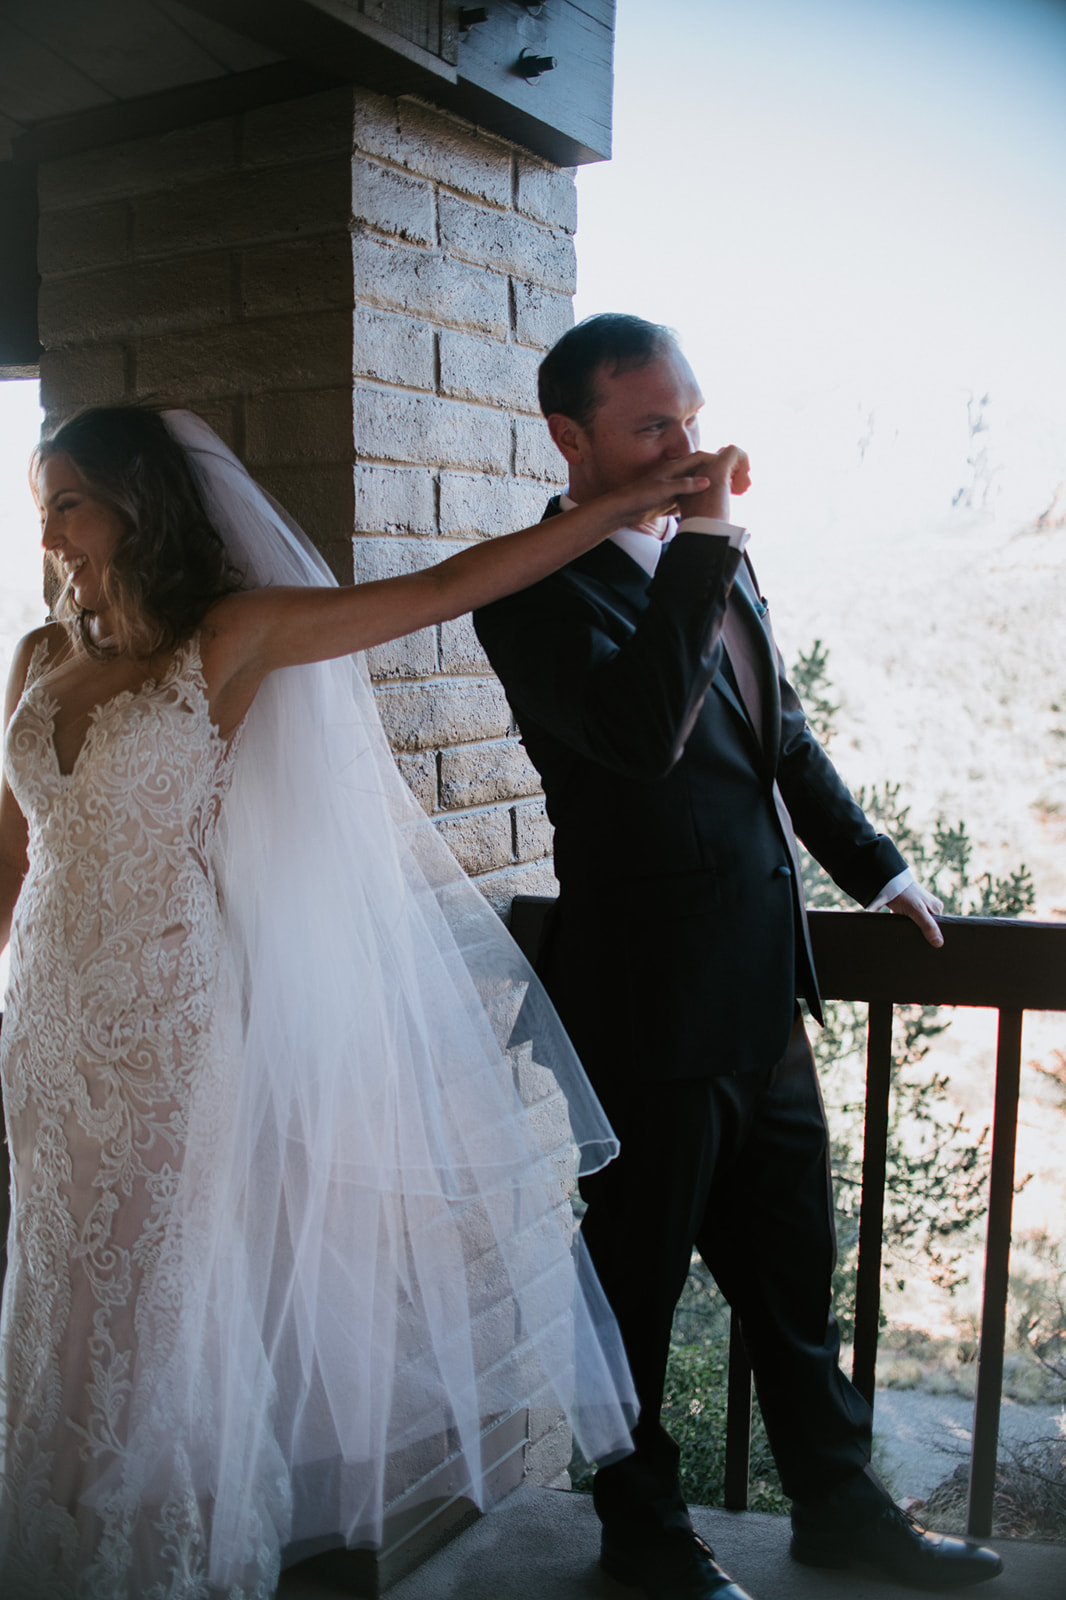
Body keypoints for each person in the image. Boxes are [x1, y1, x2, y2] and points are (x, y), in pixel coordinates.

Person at [0, 403, 720, 1599]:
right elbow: (14, 856)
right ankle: (44, 1530)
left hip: (165, 1026)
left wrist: (613, 510)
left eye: (67, 499)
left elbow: (443, 588)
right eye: (40, 505)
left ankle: (146, 1556)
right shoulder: (37, 656)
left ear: (135, 502)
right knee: (50, 1279)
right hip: (47, 1017)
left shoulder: (221, 639)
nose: (51, 528)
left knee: (152, 1300)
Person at [473, 314, 1004, 1600]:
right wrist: (700, 548)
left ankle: (839, 1511)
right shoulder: (529, 588)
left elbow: (784, 745)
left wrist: (880, 866)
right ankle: (644, 1538)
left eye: (691, 418)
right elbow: (645, 732)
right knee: (637, 1293)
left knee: (794, 1288)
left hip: (766, 998)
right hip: (645, 1007)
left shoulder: (714, 562)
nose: (689, 447)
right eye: (654, 426)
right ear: (571, 437)